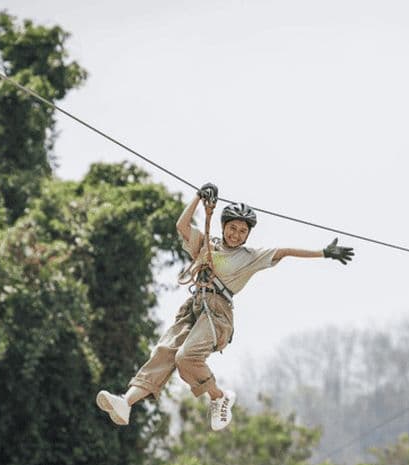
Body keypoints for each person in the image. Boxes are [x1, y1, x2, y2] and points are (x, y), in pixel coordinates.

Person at [96, 182, 354, 430]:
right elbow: (182, 225)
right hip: (193, 307)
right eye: (232, 228)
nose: (237, 234)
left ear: (248, 234)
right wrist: (199, 196)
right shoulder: (209, 244)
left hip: (217, 315)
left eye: (243, 231)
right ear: (223, 226)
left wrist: (323, 252)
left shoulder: (249, 257)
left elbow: (284, 251)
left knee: (186, 357)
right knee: (165, 352)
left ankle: (219, 397)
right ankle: (126, 402)